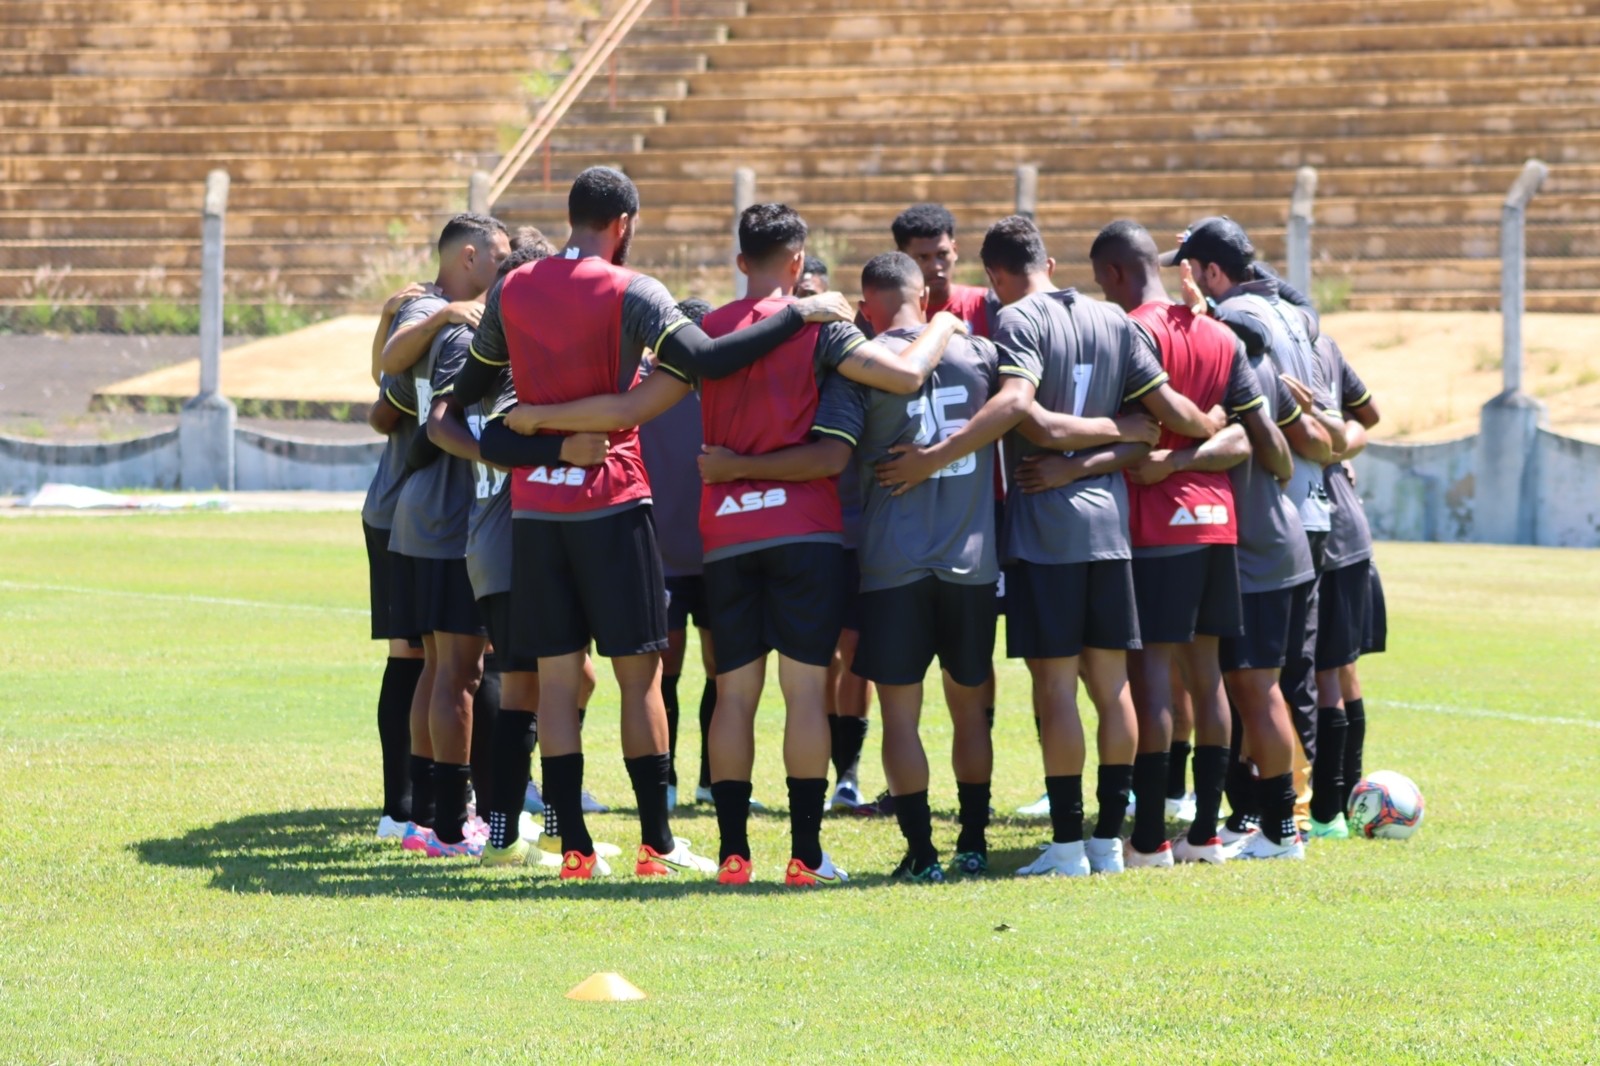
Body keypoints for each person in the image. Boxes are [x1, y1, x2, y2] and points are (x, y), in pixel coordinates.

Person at [500, 201, 965, 886]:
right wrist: (945, 323)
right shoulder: (823, 331)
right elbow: (904, 376)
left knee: (734, 693)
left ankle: (732, 855)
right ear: (799, 264)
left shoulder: (702, 331)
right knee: (805, 695)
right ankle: (805, 856)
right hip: (804, 532)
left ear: (740, 261)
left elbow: (629, 409)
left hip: (727, 536)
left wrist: (538, 419)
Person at [471, 170, 857, 879]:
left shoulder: (512, 288)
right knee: (639, 679)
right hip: (612, 500)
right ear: (624, 222)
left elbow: (472, 409)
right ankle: (657, 843)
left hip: (535, 508)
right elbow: (706, 360)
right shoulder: (633, 289)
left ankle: (575, 849)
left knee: (557, 682)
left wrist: (541, 435)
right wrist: (799, 315)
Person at [876, 215, 1221, 877]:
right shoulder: (1114, 322)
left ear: (1000, 276)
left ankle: (1067, 845)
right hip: (1110, 532)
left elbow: (1015, 408)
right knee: (1111, 687)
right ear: (1051, 263)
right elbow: (1151, 425)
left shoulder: (1017, 321)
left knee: (1056, 689)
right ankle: (1105, 846)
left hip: (1046, 532)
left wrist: (943, 456)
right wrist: (1195, 427)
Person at [1087, 220, 1284, 867]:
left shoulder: (1130, 332)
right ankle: (1202, 835)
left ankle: (1146, 841)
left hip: (1156, 528)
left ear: (1115, 274)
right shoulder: (1218, 334)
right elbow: (1241, 432)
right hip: (1216, 523)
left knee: (1151, 679)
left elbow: (1139, 431)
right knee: (1207, 678)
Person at [1164, 221, 1335, 861]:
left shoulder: (1236, 381)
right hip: (1287, 543)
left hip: (1258, 553)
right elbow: (1291, 457)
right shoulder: (1264, 371)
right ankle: (1254, 818)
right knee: (1255, 690)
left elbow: (1247, 444)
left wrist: (1175, 463)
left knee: (1257, 692)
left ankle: (1281, 831)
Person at [388, 214, 512, 858]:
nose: (506, 266)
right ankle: (448, 825)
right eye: (501, 256)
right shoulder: (459, 329)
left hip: (421, 516)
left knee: (439, 669)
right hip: (447, 516)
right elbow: (439, 422)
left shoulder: (425, 316)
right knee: (460, 672)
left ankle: (425, 816)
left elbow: (386, 389)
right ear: (471, 256)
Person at [362, 281, 439, 841]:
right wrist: (389, 318)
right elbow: (382, 405)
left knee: (437, 656)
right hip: (399, 512)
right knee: (415, 653)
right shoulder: (433, 318)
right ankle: (402, 806)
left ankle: (428, 803)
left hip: (427, 512)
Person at [1307, 332, 1381, 838]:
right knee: (1341, 668)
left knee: (1328, 672)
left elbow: (1358, 423)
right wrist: (1344, 444)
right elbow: (1367, 414)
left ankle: (1329, 809)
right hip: (1348, 527)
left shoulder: (1290, 348)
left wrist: (1335, 447)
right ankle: (1351, 798)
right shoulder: (1324, 343)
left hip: (1325, 527)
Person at [892, 203, 994, 335]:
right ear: (902, 259)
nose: (936, 266)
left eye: (942, 254)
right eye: (923, 258)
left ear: (954, 250)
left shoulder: (986, 305)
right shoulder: (885, 314)